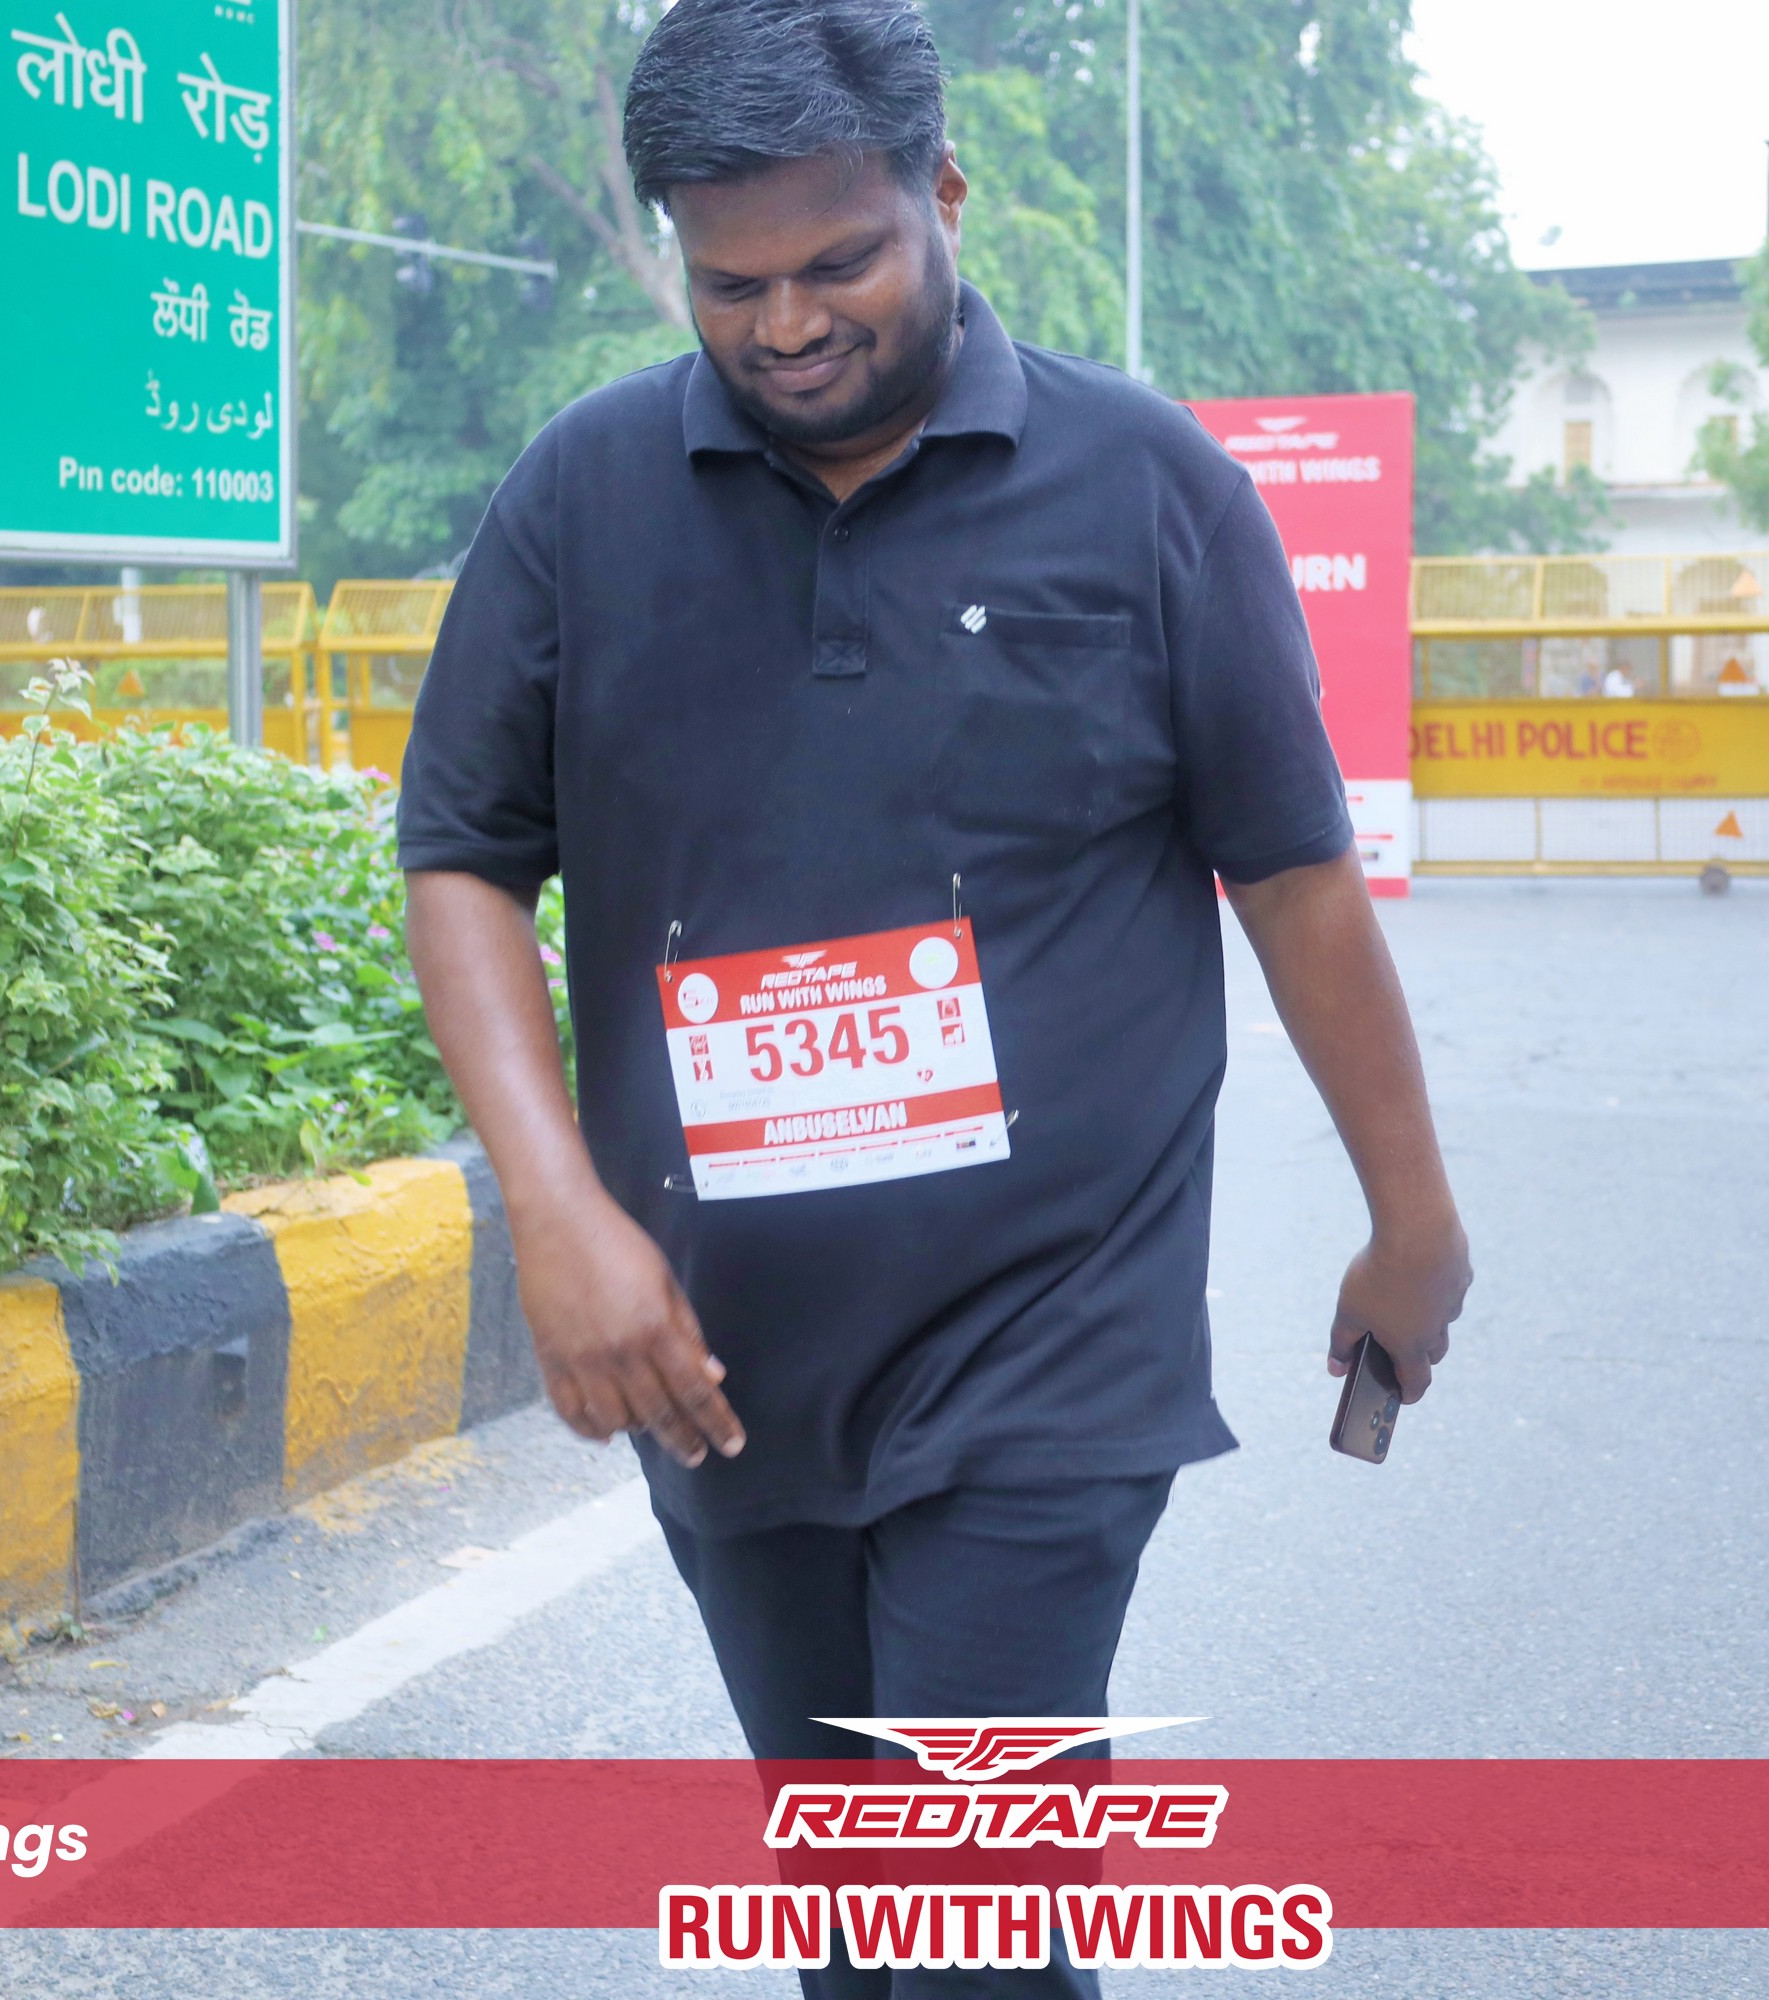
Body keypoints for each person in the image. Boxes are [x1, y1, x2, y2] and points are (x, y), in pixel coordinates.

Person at [396, 5, 1469, 1990]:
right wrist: (557, 1215)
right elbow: (462, 854)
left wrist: (1413, 1218)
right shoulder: (582, 499)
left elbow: (1294, 877)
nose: (788, 325)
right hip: (722, 1356)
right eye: (731, 283)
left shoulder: (1149, 491)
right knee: (853, 1922)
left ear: (942, 192)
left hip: (1050, 1343)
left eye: (838, 263)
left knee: (965, 1919)